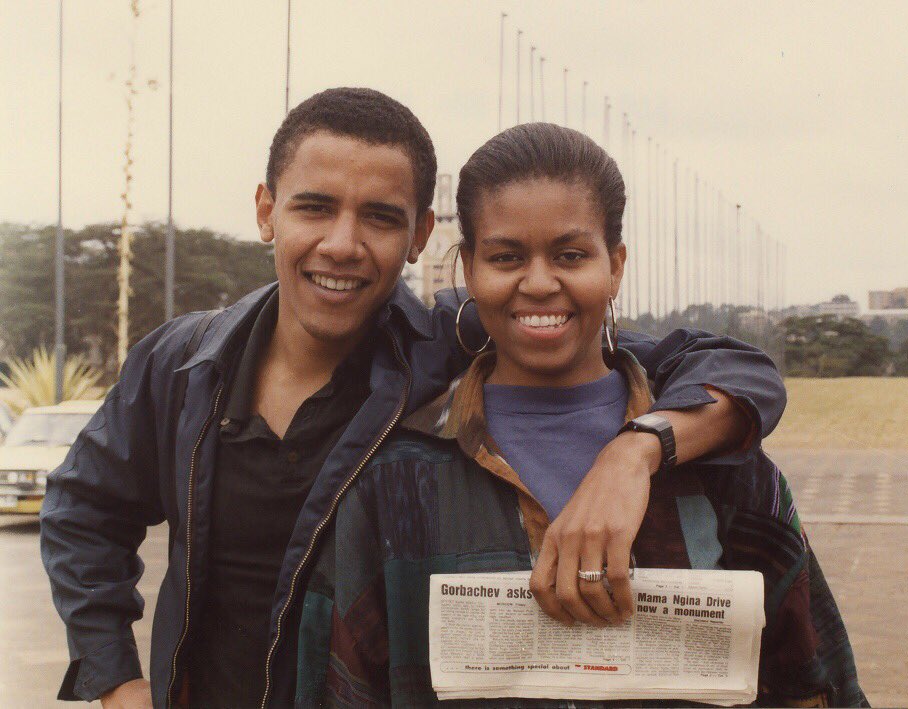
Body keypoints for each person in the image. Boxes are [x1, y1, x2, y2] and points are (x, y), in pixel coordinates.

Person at [40, 89, 788, 708]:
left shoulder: (444, 342)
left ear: (422, 235)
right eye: (314, 207)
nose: (342, 243)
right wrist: (117, 679)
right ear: (267, 210)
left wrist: (637, 449)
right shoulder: (180, 364)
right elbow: (81, 510)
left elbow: (722, 366)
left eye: (380, 217)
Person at [295, 123, 866, 708]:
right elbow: (343, 686)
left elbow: (815, 683)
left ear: (615, 265)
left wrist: (636, 455)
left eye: (571, 255)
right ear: (468, 268)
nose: (540, 283)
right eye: (506, 256)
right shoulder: (396, 478)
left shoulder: (721, 466)